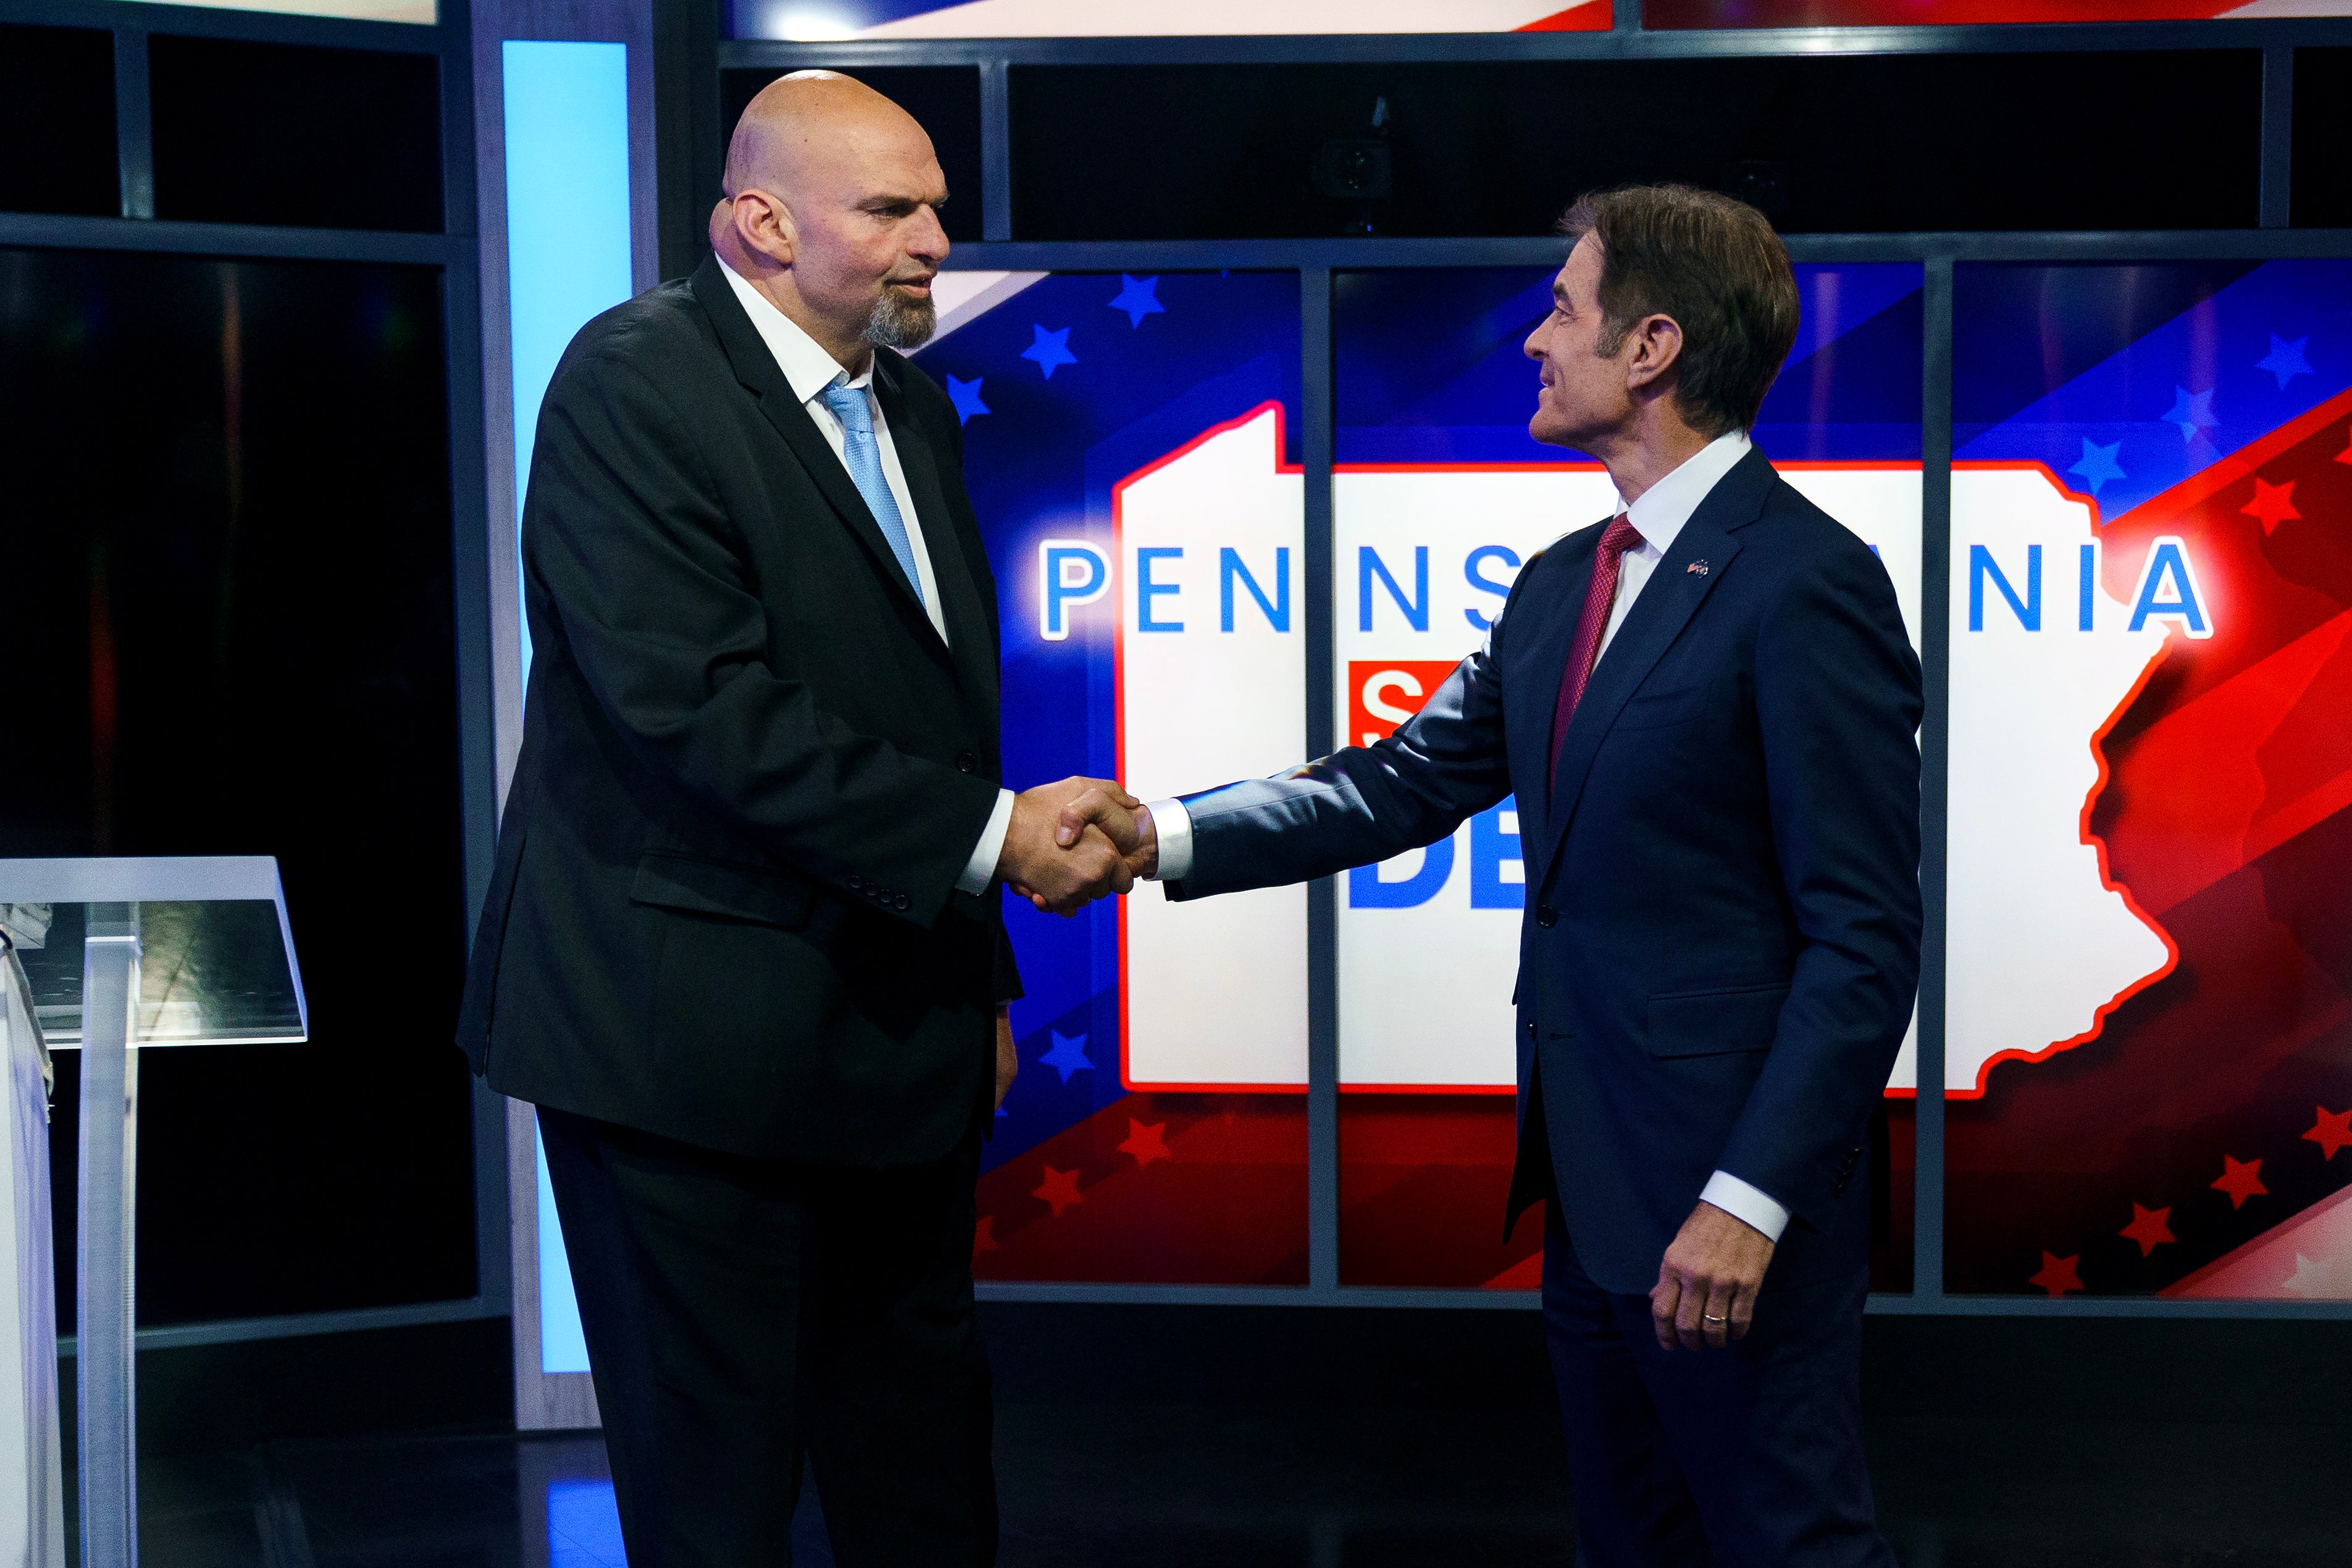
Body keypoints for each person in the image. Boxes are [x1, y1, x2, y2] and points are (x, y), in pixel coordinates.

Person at [1061, 184, 1922, 1566]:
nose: (1533, 338)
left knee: (1786, 1543)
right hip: (1590, 1201)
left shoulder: (1805, 581)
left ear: (1652, 347)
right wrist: (1156, 835)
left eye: (1563, 309)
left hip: (1726, 1216)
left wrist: (1748, 1198)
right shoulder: (1561, 581)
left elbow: (1865, 937)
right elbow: (1395, 781)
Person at [454, 70, 1134, 1568]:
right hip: (683, 1053)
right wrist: (997, 841)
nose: (935, 241)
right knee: (721, 1504)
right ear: (758, 221)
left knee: (926, 1479)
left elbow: (934, 717)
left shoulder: (907, 403)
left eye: (938, 205)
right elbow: (702, 712)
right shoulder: (634, 381)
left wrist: (979, 975)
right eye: (892, 209)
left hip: (896, 1037)